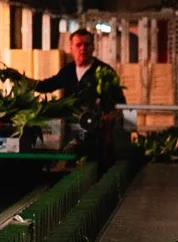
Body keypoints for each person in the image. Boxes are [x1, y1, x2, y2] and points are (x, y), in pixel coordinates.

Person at [40, 28, 125, 162]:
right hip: (71, 134)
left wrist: (111, 117)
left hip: (98, 136)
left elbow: (121, 105)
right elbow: (47, 85)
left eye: (87, 44)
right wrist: (23, 81)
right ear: (71, 47)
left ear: (93, 47)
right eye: (78, 45)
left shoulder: (104, 72)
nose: (83, 48)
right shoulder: (67, 71)